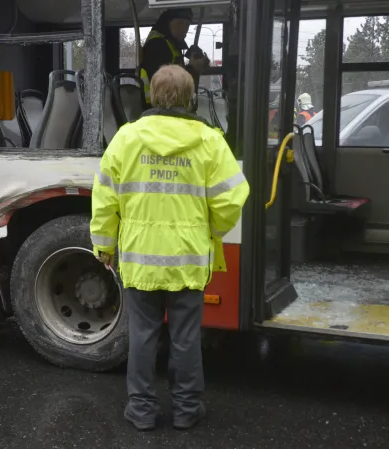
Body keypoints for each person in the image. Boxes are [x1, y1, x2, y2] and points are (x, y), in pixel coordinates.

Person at [90, 64, 249, 431]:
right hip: (188, 259)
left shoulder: (127, 138)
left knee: (143, 335)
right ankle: (187, 410)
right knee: (186, 337)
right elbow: (231, 199)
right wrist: (210, 230)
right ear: (190, 97)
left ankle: (142, 411)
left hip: (139, 260)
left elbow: (104, 199)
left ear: (152, 95)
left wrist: (104, 245)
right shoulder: (209, 140)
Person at [139, 8, 209, 105]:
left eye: (187, 25)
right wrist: (193, 68)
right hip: (157, 106)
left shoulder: (171, 44)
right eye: (180, 23)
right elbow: (167, 84)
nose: (184, 28)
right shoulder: (157, 45)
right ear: (168, 23)